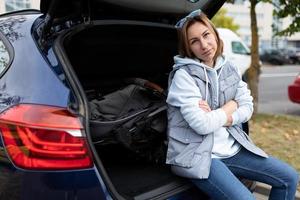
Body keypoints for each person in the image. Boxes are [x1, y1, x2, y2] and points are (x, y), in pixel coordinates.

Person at [166, 9, 299, 200]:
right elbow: (202, 125)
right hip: (199, 156)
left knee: (289, 178)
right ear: (188, 48)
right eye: (194, 41)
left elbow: (247, 107)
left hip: (232, 149)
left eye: (206, 35)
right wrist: (230, 106)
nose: (204, 45)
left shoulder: (229, 67)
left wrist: (223, 117)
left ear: (215, 34)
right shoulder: (183, 76)